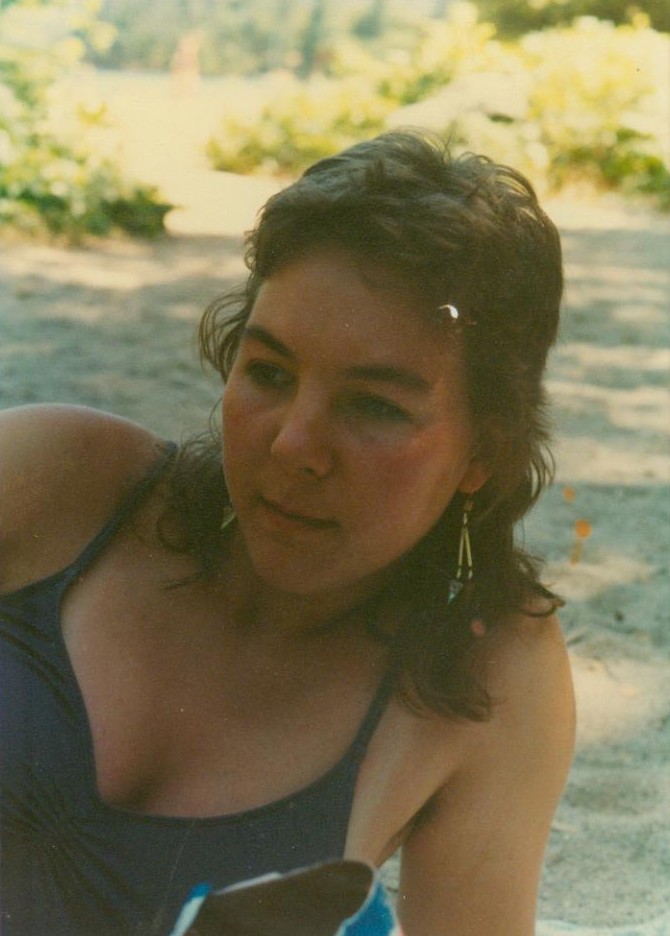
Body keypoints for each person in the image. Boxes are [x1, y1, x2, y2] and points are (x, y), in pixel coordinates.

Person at [0, 129, 575, 936]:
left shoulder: (482, 674)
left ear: (484, 450)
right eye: (268, 372)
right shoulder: (56, 481)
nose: (294, 445)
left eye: (374, 406)